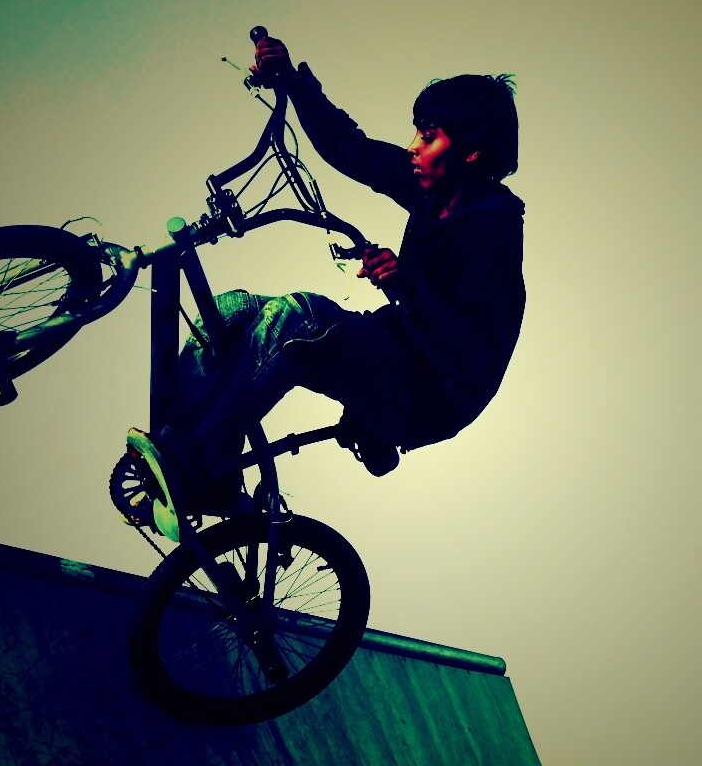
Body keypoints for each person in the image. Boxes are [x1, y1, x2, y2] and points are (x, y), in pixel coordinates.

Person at [126, 33, 525, 538]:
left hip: (428, 395)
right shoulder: (427, 188)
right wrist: (291, 80)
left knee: (300, 318)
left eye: (428, 137)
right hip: (392, 349)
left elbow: (470, 359)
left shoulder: (494, 235)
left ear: (471, 153)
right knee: (230, 310)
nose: (412, 148)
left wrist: (406, 284)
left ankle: (193, 466)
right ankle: (196, 457)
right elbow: (347, 147)